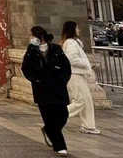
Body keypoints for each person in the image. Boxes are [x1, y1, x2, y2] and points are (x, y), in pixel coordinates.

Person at [22, 26, 72, 156]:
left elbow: (66, 67)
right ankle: (60, 146)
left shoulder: (56, 49)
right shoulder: (31, 51)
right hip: (42, 89)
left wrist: (62, 80)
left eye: (32, 36)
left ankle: (48, 130)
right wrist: (35, 80)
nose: (31, 39)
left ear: (40, 36)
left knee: (63, 115)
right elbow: (26, 68)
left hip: (58, 88)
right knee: (49, 117)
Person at [61, 21, 100, 135]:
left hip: (78, 73)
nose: (79, 30)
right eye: (77, 28)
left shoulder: (73, 42)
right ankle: (57, 116)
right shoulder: (71, 43)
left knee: (86, 100)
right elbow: (71, 59)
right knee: (80, 100)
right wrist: (85, 63)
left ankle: (89, 125)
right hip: (75, 74)